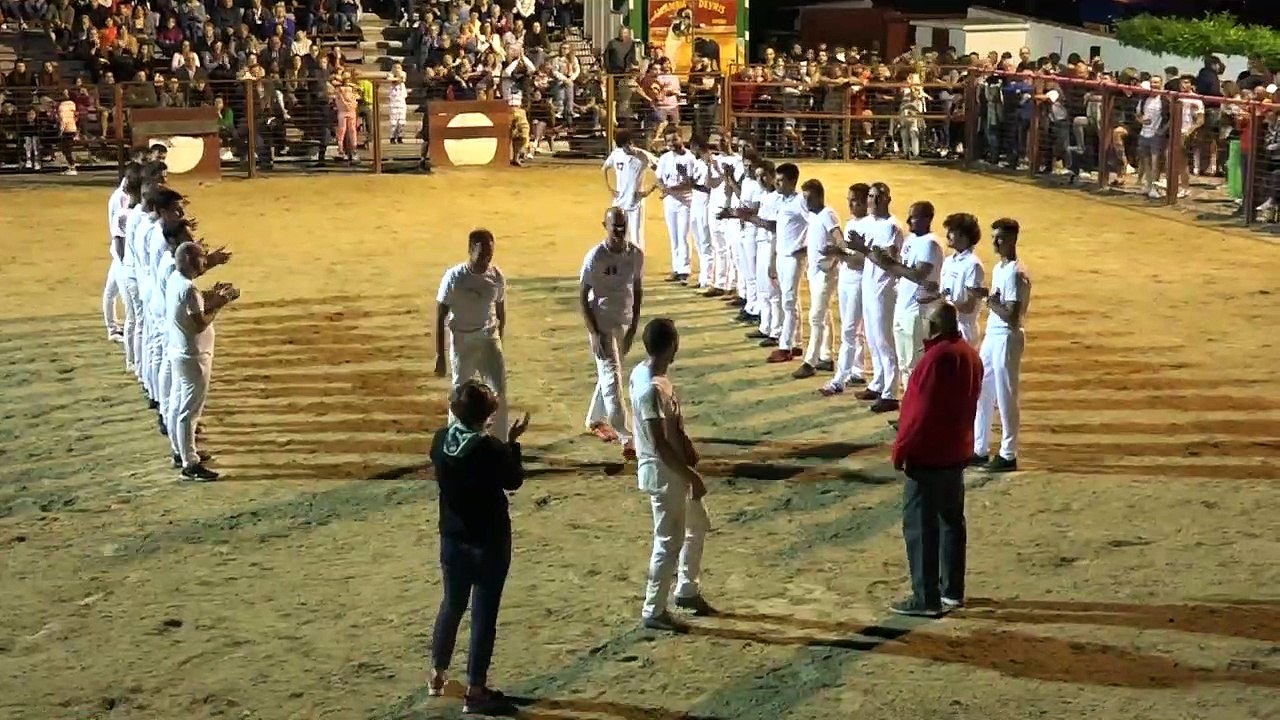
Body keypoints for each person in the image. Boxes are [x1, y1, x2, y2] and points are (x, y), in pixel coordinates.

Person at [427, 380, 530, 716]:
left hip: (453, 538)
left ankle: (437, 674)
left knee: (452, 605)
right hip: (488, 541)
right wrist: (512, 444)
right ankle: (476, 688)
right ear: (487, 415)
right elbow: (513, 480)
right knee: (484, 615)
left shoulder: (441, 441)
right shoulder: (491, 450)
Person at [889, 302, 982, 617]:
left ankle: (926, 598)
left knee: (920, 526)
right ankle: (952, 591)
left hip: (928, 455)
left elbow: (919, 413)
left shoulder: (934, 359)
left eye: (926, 321)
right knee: (951, 522)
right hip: (956, 453)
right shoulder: (969, 354)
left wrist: (900, 449)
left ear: (935, 326)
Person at [631, 317, 712, 632]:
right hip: (664, 472)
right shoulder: (650, 390)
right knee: (667, 540)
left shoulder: (644, 373)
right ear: (672, 346)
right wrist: (691, 476)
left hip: (673, 466)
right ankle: (653, 609)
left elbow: (671, 429)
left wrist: (687, 446)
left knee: (697, 526)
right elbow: (659, 443)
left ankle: (687, 590)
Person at [166, 241, 238, 481]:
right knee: (189, 411)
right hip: (194, 356)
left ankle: (181, 451)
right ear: (188, 261)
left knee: (178, 406)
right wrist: (219, 304)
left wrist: (211, 297)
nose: (204, 261)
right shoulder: (188, 289)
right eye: (200, 257)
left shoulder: (176, 281)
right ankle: (190, 464)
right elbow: (199, 323)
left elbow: (192, 308)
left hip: (180, 352)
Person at [580, 207, 645, 459]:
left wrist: (633, 328)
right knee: (612, 378)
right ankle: (627, 435)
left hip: (624, 323)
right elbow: (583, 296)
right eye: (614, 226)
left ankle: (595, 419)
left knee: (610, 373)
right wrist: (594, 333)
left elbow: (637, 291)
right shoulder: (595, 257)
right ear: (604, 226)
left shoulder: (635, 255)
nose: (619, 231)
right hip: (602, 323)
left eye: (622, 225)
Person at [434, 229, 510, 441]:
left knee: (499, 391)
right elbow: (440, 315)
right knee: (460, 393)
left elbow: (501, 310)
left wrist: (498, 340)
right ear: (470, 250)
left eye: (490, 254)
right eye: (482, 253)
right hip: (462, 341)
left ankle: (499, 441)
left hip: (488, 338)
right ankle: (454, 439)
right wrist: (440, 355)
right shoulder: (454, 277)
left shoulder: (496, 276)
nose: (486, 259)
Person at [971, 218, 1031, 473]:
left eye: (1001, 238)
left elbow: (1012, 314)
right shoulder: (999, 268)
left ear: (1013, 240)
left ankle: (1008, 453)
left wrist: (986, 298)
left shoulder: (1017, 273)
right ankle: (979, 448)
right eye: (994, 237)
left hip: (1007, 335)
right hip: (993, 334)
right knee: (982, 389)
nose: (995, 242)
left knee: (1006, 395)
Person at [866, 201, 943, 389]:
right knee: (905, 365)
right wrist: (881, 258)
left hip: (918, 311)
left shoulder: (930, 243)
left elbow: (918, 274)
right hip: (902, 307)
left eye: (914, 216)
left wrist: (889, 263)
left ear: (928, 219)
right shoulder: (910, 241)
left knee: (914, 365)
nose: (909, 220)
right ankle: (909, 412)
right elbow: (899, 269)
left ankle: (917, 412)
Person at [845, 182, 904, 413]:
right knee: (871, 338)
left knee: (884, 340)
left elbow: (888, 261)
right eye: (870, 196)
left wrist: (864, 248)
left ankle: (890, 392)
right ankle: (878, 382)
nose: (872, 201)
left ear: (888, 199)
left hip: (885, 289)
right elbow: (863, 257)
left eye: (878, 197)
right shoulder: (868, 223)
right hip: (868, 286)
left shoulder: (892, 227)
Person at [819, 183, 870, 395]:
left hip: (858, 281)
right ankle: (857, 370)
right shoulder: (851, 223)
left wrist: (836, 254)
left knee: (849, 330)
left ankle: (840, 378)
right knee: (854, 329)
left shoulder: (868, 226)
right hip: (846, 278)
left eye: (855, 200)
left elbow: (860, 260)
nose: (850, 204)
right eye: (849, 199)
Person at [792, 178, 841, 380]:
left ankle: (810, 361)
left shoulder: (827, 214)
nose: (806, 203)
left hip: (824, 273)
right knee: (823, 314)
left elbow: (839, 238)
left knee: (816, 316)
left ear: (820, 196)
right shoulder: (814, 216)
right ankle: (826, 356)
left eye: (809, 198)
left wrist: (835, 257)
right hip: (815, 271)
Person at [763, 162, 808, 363]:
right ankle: (795, 342)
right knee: (790, 300)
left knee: (788, 301)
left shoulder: (801, 202)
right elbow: (776, 232)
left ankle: (785, 346)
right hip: (782, 255)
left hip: (793, 257)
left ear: (793, 181)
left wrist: (806, 247)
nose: (777, 184)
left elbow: (814, 224)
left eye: (781, 181)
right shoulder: (781, 201)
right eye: (777, 180)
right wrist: (773, 259)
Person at [936, 213, 986, 347]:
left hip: (964, 331)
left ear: (964, 236)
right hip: (945, 327)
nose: (948, 235)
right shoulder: (948, 261)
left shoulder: (973, 265)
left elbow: (969, 306)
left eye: (952, 231)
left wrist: (941, 303)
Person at [602, 129, 656, 249]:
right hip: (619, 202)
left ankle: (637, 260)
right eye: (623, 147)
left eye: (627, 146)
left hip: (635, 202)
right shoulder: (616, 154)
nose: (626, 150)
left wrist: (648, 190)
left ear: (631, 142)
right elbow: (604, 168)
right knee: (618, 232)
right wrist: (610, 188)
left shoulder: (644, 156)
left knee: (636, 236)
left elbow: (661, 171)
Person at [103, 163, 139, 342]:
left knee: (111, 291)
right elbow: (119, 233)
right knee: (124, 296)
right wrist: (125, 262)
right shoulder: (121, 200)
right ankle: (116, 329)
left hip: (121, 254)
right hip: (122, 256)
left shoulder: (122, 197)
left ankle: (112, 328)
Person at [654, 128, 695, 282]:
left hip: (685, 201)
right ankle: (676, 268)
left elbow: (690, 183)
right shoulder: (665, 158)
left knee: (683, 235)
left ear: (681, 138)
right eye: (668, 141)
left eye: (674, 140)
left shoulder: (690, 159)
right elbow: (658, 178)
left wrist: (669, 189)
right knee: (674, 236)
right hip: (670, 201)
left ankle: (684, 269)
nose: (671, 143)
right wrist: (664, 188)